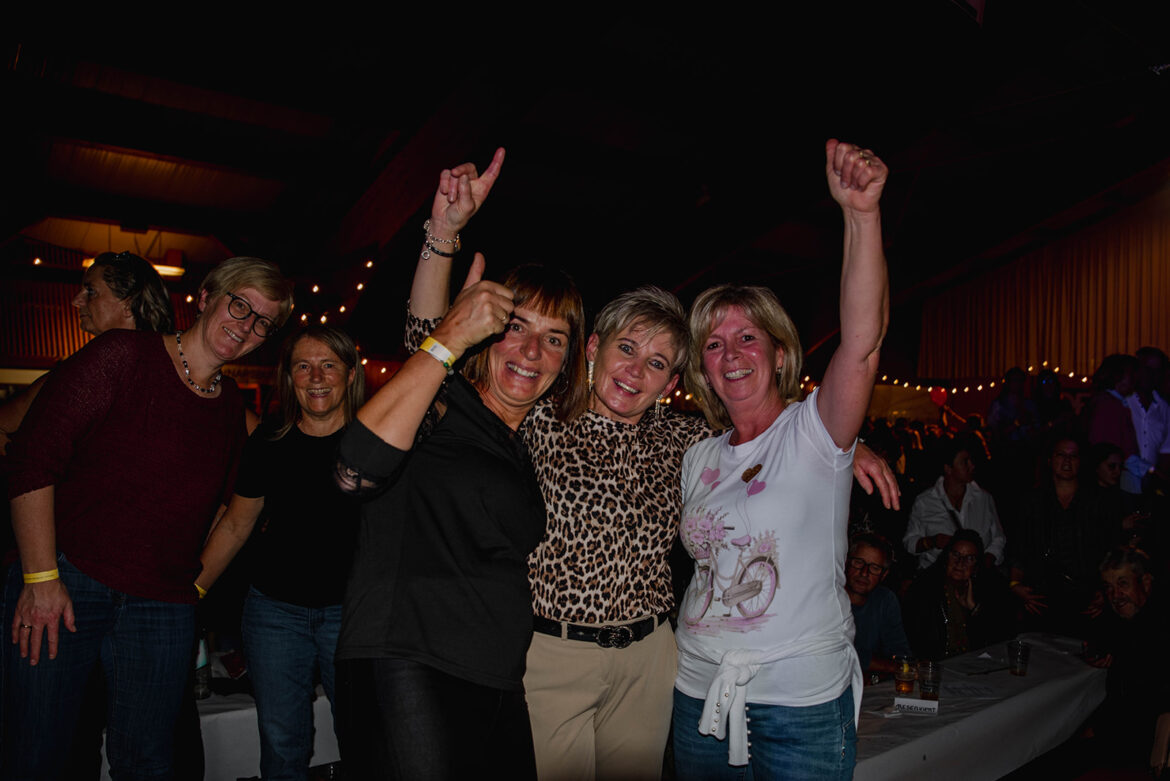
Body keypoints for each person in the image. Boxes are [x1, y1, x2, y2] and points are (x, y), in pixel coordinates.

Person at [402, 149, 900, 781]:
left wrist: (847, 440)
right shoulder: (537, 418)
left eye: (658, 362)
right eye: (627, 349)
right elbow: (428, 358)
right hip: (554, 653)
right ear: (593, 348)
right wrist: (441, 237)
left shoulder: (684, 440)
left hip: (652, 660)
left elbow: (789, 429)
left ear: (672, 381)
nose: (636, 371)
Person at [3, 256, 293, 780]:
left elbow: (238, 511)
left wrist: (194, 589)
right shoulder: (122, 355)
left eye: (262, 322)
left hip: (161, 607)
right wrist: (40, 577)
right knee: (39, 754)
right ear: (206, 297)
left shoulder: (230, 407)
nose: (247, 325)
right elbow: (32, 457)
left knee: (149, 766)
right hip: (69, 582)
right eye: (240, 305)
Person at [332, 231, 586, 779]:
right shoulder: (443, 400)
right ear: (487, 333)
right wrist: (448, 331)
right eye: (517, 327)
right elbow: (355, 471)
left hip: (497, 676)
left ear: (566, 361)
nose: (532, 351)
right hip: (410, 661)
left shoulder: (520, 446)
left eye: (554, 338)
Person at [672, 139, 888, 779]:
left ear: (778, 351)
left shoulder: (814, 431)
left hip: (799, 702)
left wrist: (861, 215)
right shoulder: (698, 456)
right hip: (697, 692)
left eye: (747, 336)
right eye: (714, 344)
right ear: (704, 368)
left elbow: (862, 342)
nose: (732, 353)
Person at [195, 325, 364, 781]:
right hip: (274, 615)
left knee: (364, 740)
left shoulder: (376, 441)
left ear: (350, 374)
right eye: (303, 366)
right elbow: (236, 524)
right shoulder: (269, 441)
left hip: (353, 617)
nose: (316, 377)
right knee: (282, 745)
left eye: (328, 365)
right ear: (289, 378)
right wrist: (193, 592)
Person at [0, 251, 173, 455]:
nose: (76, 300)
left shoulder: (165, 378)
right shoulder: (76, 374)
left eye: (91, 291)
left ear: (128, 304)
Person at [1086, 548, 1170, 766]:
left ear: (1146, 582)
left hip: (1144, 747)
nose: (1115, 595)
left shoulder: (1160, 626)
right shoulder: (1126, 619)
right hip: (1123, 736)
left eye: (1123, 584)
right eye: (1108, 587)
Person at [902, 529, 1016, 661]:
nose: (960, 562)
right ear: (947, 556)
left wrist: (974, 609)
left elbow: (1000, 638)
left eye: (969, 558)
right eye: (955, 554)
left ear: (976, 565)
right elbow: (918, 642)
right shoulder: (925, 588)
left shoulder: (985, 589)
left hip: (973, 663)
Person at [903, 436, 1007, 570]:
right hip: (936, 574)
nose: (972, 466)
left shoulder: (983, 498)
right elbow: (909, 542)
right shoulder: (925, 501)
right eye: (965, 462)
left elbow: (998, 538)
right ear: (948, 468)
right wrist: (932, 542)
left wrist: (985, 561)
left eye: (971, 461)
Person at [845, 534, 910, 678]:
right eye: (858, 562)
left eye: (874, 568)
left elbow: (899, 652)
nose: (864, 573)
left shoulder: (885, 600)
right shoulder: (829, 598)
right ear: (846, 562)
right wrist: (887, 667)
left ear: (884, 575)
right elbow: (840, 653)